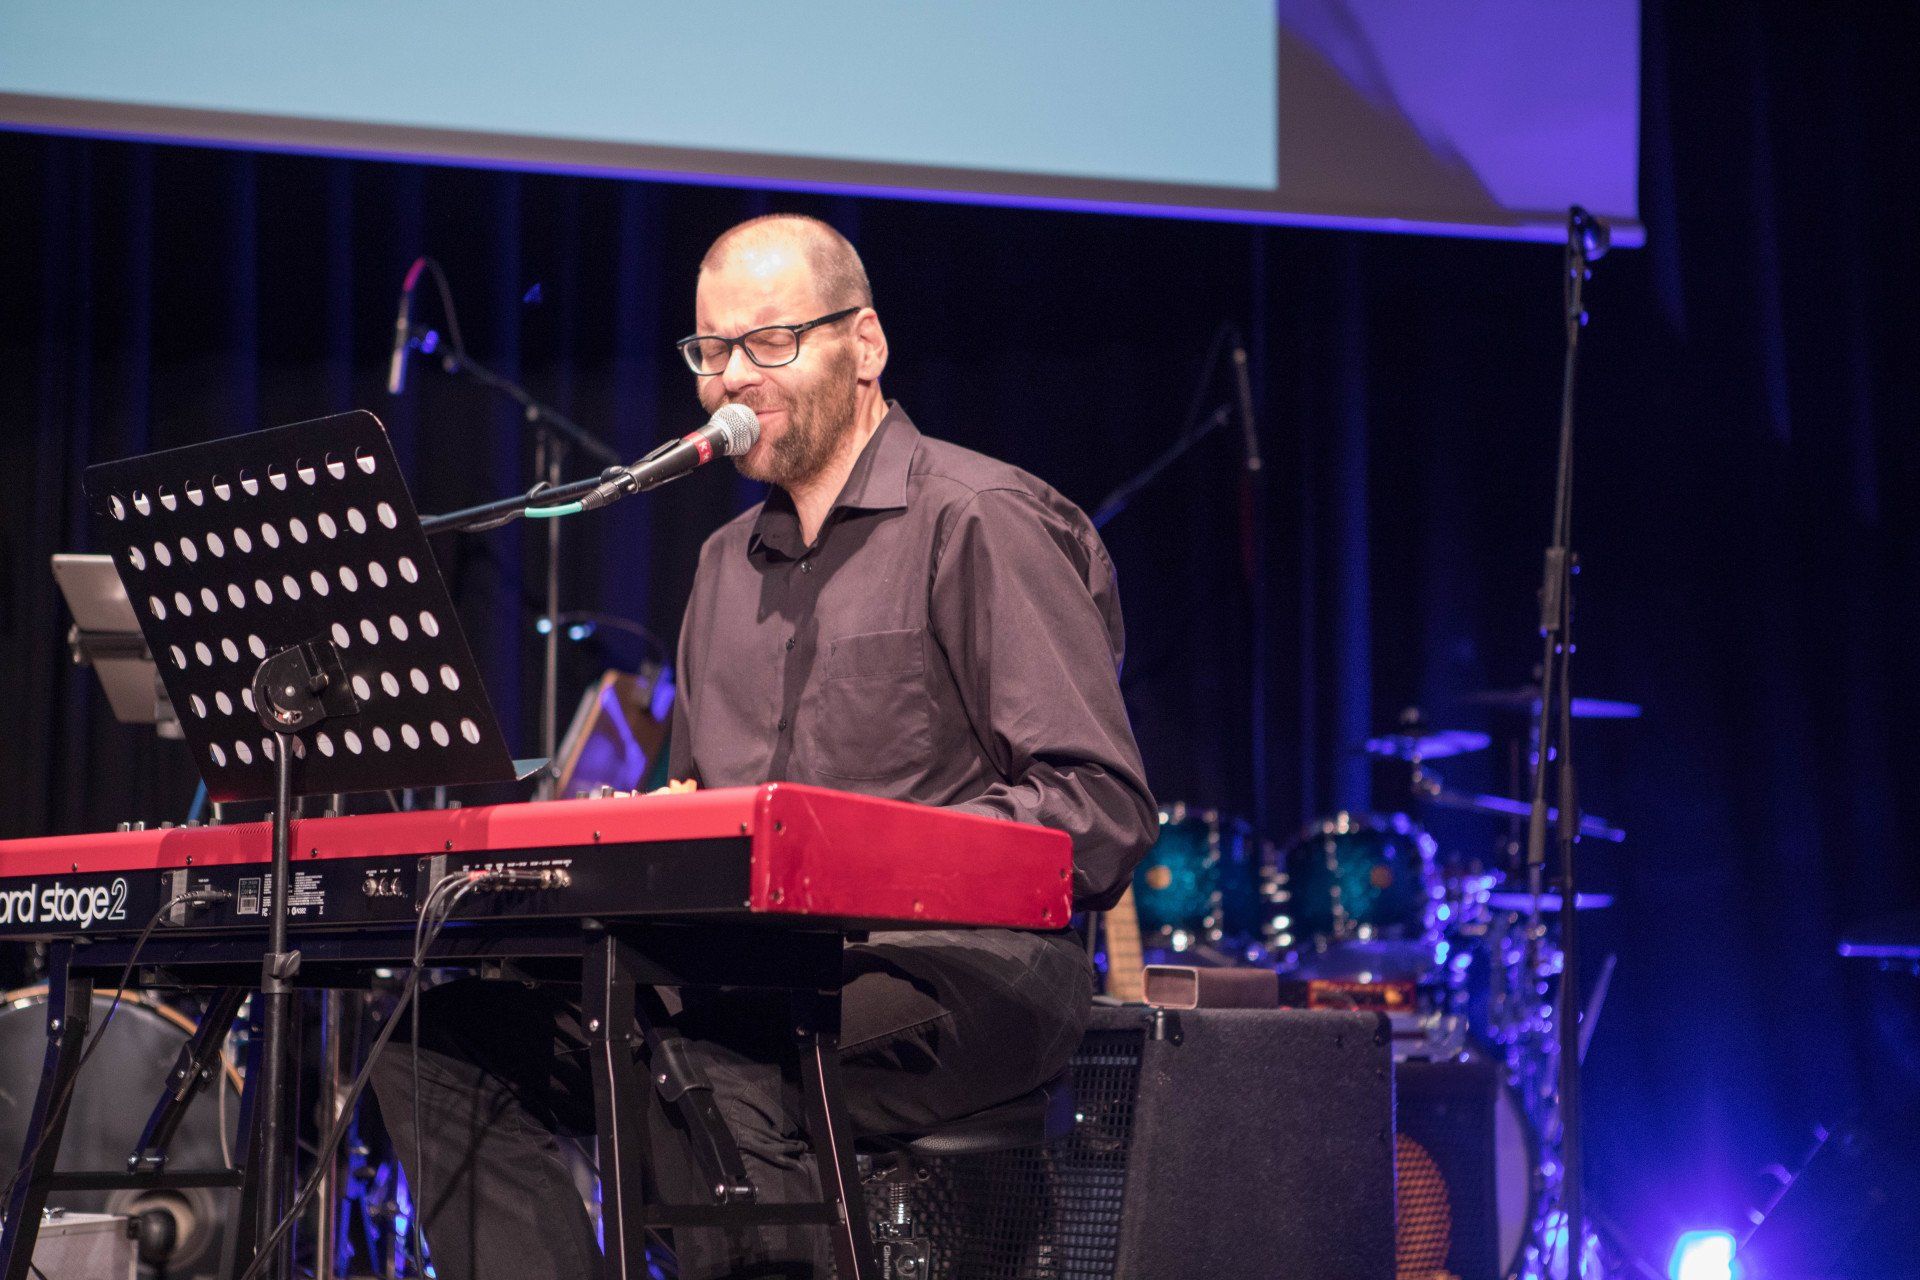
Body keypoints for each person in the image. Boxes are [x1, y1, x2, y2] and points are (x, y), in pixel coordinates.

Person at [370, 214, 1155, 1280]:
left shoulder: (980, 518)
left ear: (866, 345)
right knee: (433, 1033)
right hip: (758, 966)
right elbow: (703, 809)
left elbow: (1097, 809)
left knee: (711, 1038)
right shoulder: (720, 567)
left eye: (769, 342)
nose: (731, 378)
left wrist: (860, 856)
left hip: (966, 973)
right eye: (711, 350)